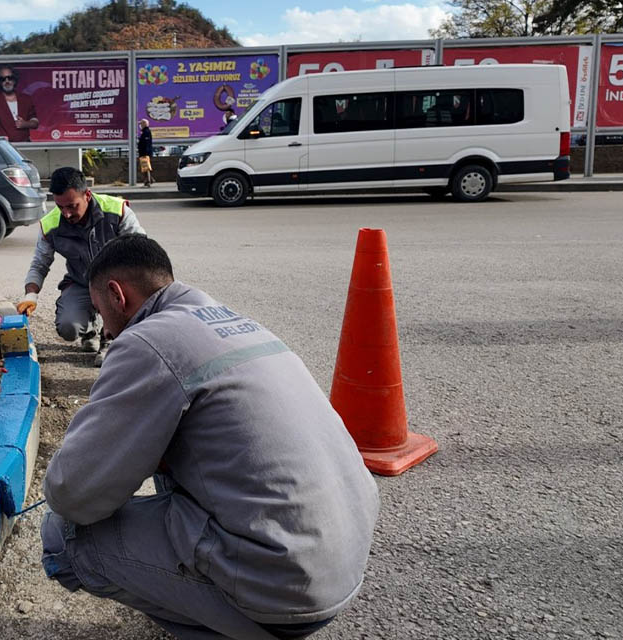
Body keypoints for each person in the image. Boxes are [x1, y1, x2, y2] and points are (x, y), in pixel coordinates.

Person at [40, 235, 380, 640]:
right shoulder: (231, 321)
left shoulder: (147, 341)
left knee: (63, 537)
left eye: (99, 312)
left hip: (282, 588)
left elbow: (73, 493)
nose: (106, 328)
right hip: (340, 560)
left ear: (117, 295)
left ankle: (229, 625)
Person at [16, 167, 145, 366]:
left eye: (72, 206)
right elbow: (40, 264)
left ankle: (111, 339)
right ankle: (90, 331)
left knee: (126, 302)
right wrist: (30, 295)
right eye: (60, 207)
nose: (66, 214)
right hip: (82, 282)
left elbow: (141, 250)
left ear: (87, 195)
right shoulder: (51, 224)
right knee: (68, 327)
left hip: (118, 285)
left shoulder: (117, 211)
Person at [0, 65, 38, 143]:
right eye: (3, 79)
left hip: (24, 145)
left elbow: (35, 123)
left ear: (14, 80)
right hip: (3, 145)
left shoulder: (26, 99)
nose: (7, 81)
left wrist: (25, 124)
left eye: (10, 78)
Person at [137, 119, 154, 187]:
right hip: (143, 152)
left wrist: (145, 153)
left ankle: (148, 182)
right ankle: (150, 180)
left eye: (141, 124)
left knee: (146, 167)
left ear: (144, 124)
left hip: (145, 153)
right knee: (145, 167)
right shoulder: (144, 132)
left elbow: (146, 143)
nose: (140, 125)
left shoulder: (146, 132)